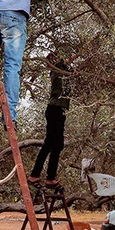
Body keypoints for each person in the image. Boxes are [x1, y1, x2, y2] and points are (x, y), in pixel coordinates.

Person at [28, 52, 77, 190]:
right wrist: (82, 50)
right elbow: (69, 59)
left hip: (60, 110)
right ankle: (34, 175)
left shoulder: (63, 73)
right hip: (54, 109)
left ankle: (50, 178)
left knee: (58, 145)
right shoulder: (56, 70)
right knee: (49, 143)